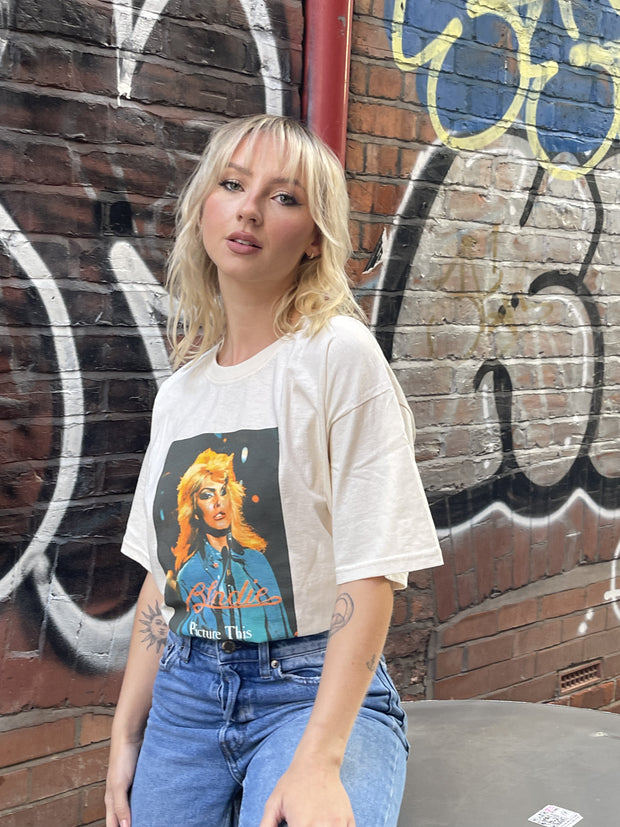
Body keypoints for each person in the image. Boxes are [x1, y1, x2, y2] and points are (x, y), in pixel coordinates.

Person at [105, 114, 443, 827]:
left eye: (284, 197)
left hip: (310, 688)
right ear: (204, 207)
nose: (250, 209)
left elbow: (372, 573)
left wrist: (319, 758)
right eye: (232, 185)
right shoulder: (180, 395)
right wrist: (126, 735)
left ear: (315, 237)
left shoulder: (338, 355)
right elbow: (162, 583)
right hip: (186, 694)